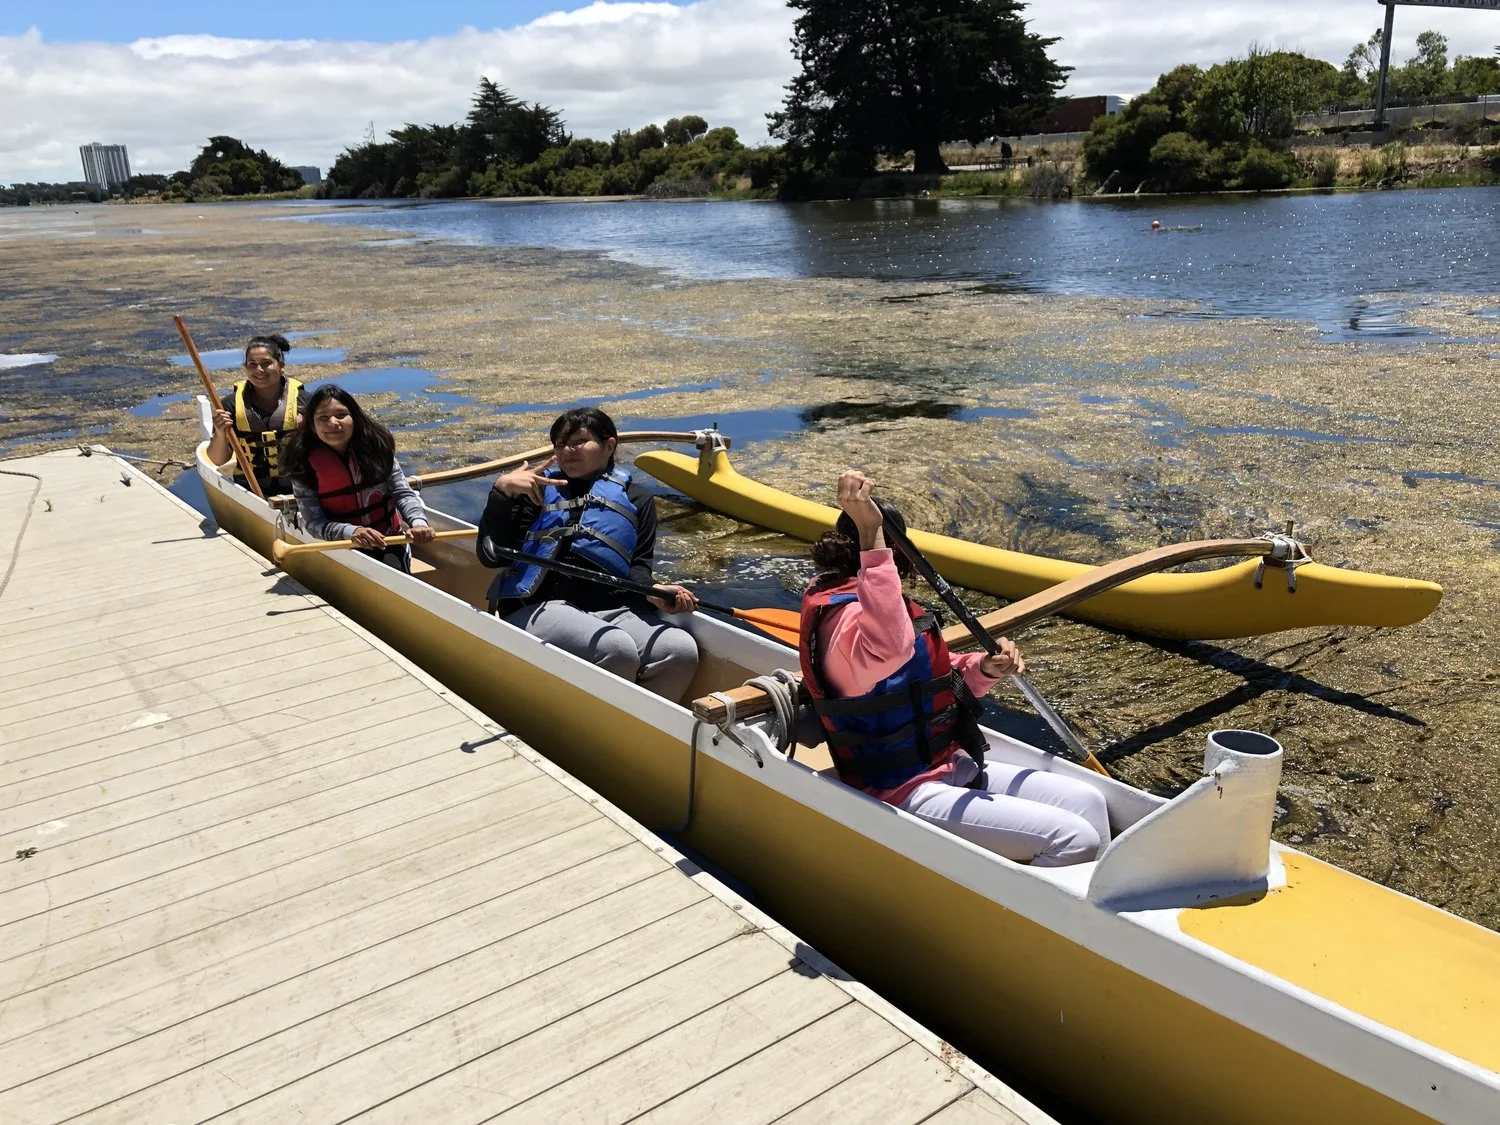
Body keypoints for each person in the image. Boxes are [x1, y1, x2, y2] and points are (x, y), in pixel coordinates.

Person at [799, 470, 1111, 867]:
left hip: (945, 760)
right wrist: (873, 536)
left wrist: (984, 668)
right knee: (1074, 838)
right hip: (898, 788)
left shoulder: (884, 610)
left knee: (1088, 800)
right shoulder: (843, 621)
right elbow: (890, 651)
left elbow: (928, 680)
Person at [477, 407, 700, 702]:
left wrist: (653, 590)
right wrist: (502, 493)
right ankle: (602, 730)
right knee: (615, 648)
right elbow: (491, 557)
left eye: (579, 441)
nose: (567, 450)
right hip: (537, 607)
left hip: (612, 609)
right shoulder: (535, 491)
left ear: (610, 445)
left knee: (679, 650)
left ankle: (641, 731)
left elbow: (639, 567)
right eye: (560, 443)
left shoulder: (638, 499)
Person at [281, 384, 435, 572]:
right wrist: (351, 532)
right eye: (323, 417)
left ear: (354, 418)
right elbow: (313, 523)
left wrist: (418, 522)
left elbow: (402, 493)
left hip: (387, 539)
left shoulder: (377, 450)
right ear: (312, 426)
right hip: (338, 544)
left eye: (341, 415)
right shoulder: (302, 463)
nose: (333, 423)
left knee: (392, 572)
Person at [206, 333, 309, 496]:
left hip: (299, 491)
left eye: (266, 363)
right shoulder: (229, 405)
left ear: (281, 366)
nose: (259, 370)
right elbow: (218, 460)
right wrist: (220, 432)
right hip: (251, 491)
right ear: (245, 368)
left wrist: (306, 429)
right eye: (252, 364)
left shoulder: (304, 402)